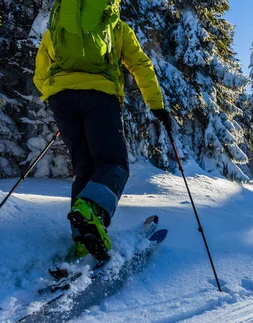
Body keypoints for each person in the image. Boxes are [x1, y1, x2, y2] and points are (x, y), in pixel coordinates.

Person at [33, 0, 171, 261]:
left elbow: (41, 71)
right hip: (99, 96)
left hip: (61, 99)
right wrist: (157, 106)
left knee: (85, 169)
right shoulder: (115, 24)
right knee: (114, 164)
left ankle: (84, 238)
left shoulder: (59, 20)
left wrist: (60, 104)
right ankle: (90, 211)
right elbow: (140, 65)